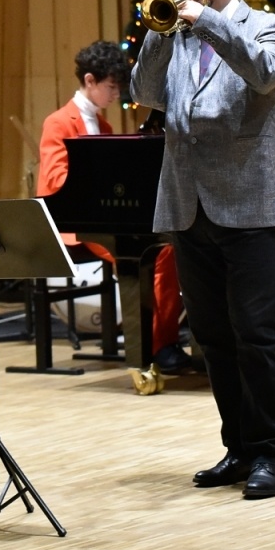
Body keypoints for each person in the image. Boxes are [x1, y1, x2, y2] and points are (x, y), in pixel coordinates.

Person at [130, 0, 275, 500]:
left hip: (252, 204)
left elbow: (267, 73)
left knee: (257, 335)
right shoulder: (174, 30)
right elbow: (145, 91)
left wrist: (206, 21)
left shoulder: (268, 25)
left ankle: (271, 454)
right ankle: (238, 447)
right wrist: (160, 27)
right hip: (188, 202)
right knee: (214, 338)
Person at [37, 40, 189, 373]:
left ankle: (158, 341)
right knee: (158, 255)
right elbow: (56, 179)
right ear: (89, 81)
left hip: (101, 216)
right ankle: (159, 345)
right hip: (75, 222)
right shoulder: (59, 122)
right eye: (111, 87)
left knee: (164, 250)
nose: (116, 95)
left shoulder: (103, 126)